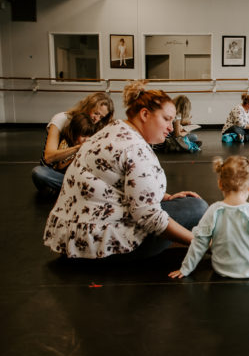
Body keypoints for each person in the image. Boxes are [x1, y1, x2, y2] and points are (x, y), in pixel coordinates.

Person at [43, 80, 208, 260]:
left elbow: (119, 183)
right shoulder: (135, 148)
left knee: (184, 208)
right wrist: (202, 245)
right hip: (104, 248)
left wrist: (165, 197)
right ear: (145, 114)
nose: (170, 127)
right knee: (195, 207)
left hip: (73, 239)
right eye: (166, 119)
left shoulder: (112, 130)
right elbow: (149, 217)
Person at [31, 92, 114, 196]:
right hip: (55, 172)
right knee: (38, 173)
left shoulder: (97, 126)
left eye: (101, 117)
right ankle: (76, 189)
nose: (97, 119)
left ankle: (66, 189)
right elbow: (49, 157)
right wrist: (78, 148)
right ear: (88, 107)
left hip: (77, 174)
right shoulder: (62, 119)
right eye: (96, 113)